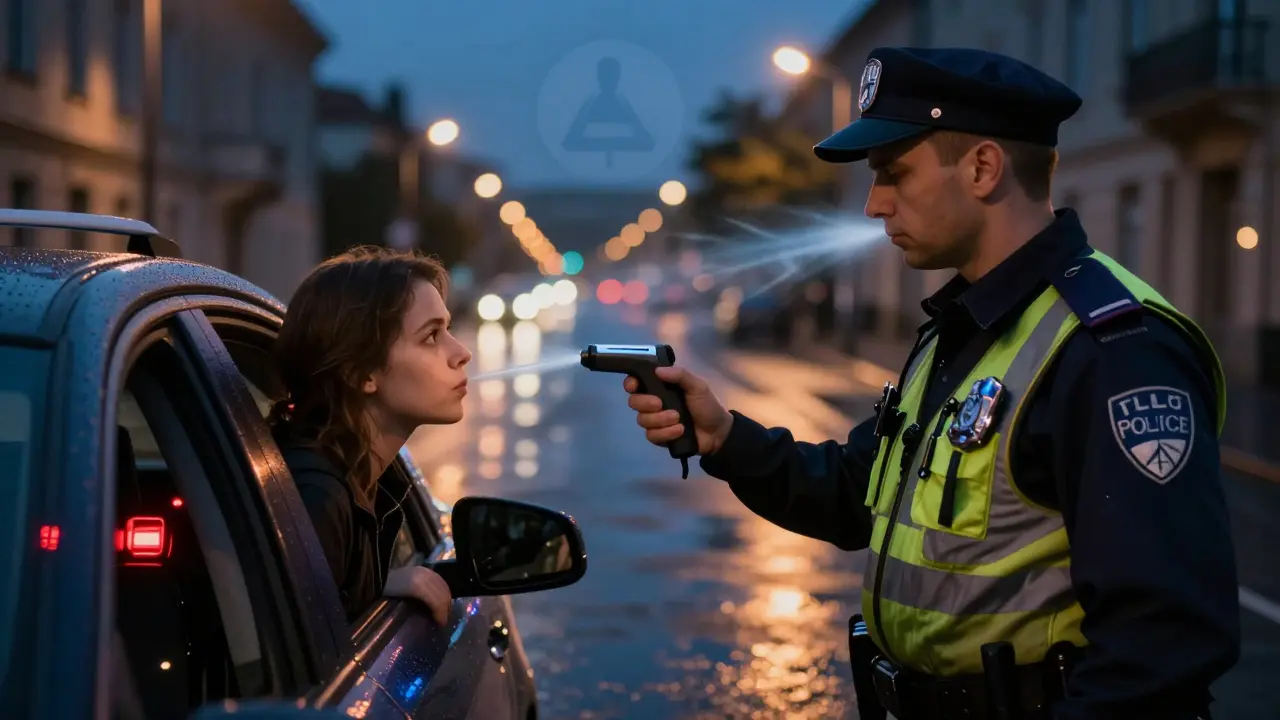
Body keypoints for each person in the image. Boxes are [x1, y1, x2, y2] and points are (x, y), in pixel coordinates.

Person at [623, 46, 1240, 719]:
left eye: (894, 173)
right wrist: (725, 438)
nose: (873, 205)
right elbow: (863, 494)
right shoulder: (963, 326)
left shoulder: (1114, 351)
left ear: (982, 168)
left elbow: (1160, 652)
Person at [268, 245, 472, 626]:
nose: (461, 353)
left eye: (448, 329)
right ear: (361, 373)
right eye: (431, 337)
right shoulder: (315, 498)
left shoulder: (366, 477)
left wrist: (377, 586)